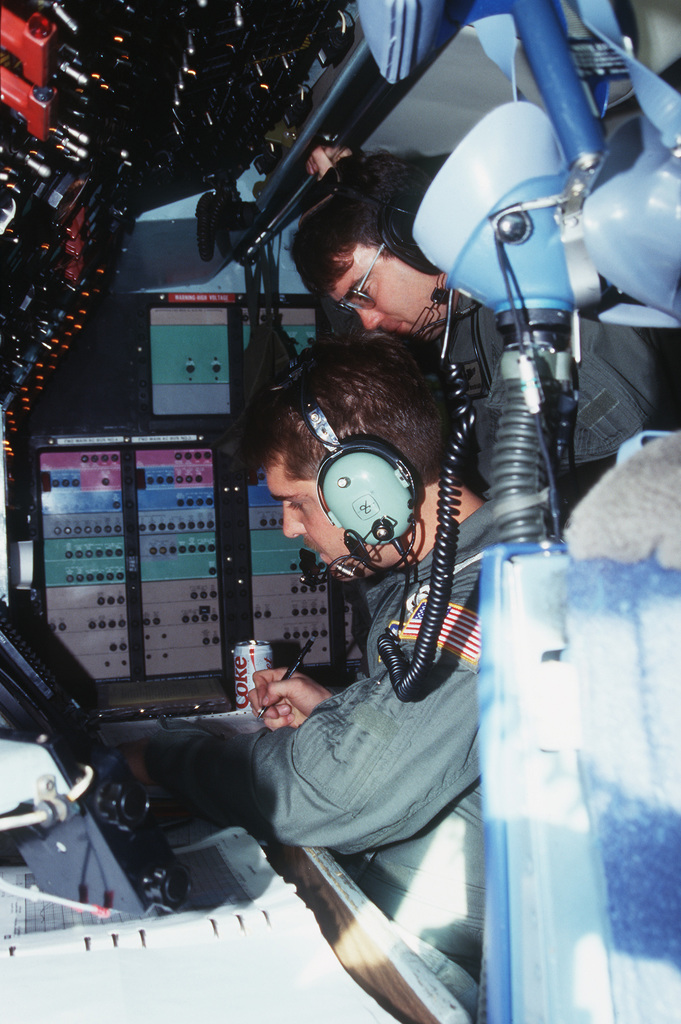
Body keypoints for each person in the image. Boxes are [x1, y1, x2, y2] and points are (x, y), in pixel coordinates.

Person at [123, 333, 497, 1016]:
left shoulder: (481, 588)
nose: (290, 529)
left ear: (368, 489)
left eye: (297, 502)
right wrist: (334, 714)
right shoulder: (442, 577)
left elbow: (323, 797)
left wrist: (159, 759)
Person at [291, 147, 680, 498]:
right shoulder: (442, 316)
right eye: (350, 306)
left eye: (364, 294)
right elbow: (364, 352)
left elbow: (626, 418)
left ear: (412, 240)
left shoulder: (539, 300)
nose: (369, 320)